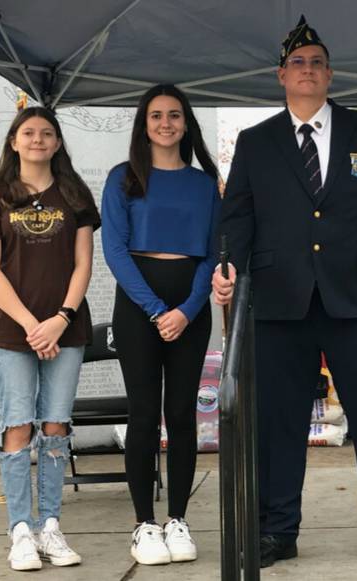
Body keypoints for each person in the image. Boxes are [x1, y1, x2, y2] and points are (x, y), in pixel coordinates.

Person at [212, 16, 357, 571]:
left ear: (330, 75)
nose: (308, 71)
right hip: (280, 300)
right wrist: (226, 268)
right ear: (281, 75)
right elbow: (236, 219)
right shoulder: (256, 143)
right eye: (298, 63)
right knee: (278, 423)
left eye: (318, 63)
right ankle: (277, 529)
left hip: (356, 297)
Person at [0, 106, 100, 571]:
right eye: (29, 133)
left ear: (58, 143)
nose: (38, 139)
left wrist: (61, 318)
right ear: (14, 141)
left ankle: (50, 526)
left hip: (66, 329)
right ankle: (20, 531)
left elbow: (84, 263)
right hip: (13, 331)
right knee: (19, 424)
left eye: (47, 133)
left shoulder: (75, 194)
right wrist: (32, 324)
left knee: (54, 425)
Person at [101, 84, 220, 566]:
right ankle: (144, 524)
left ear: (186, 123)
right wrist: (155, 309)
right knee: (144, 413)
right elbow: (114, 250)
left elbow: (214, 253)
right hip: (138, 303)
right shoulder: (123, 178)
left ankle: (177, 519)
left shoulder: (205, 182)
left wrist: (188, 309)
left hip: (190, 299)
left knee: (184, 414)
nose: (166, 123)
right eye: (156, 116)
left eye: (174, 115)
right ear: (143, 124)